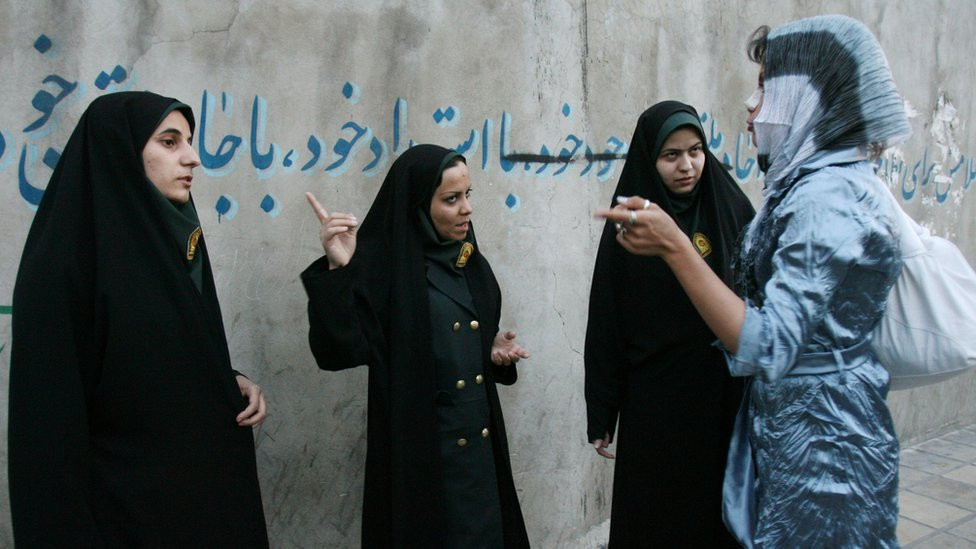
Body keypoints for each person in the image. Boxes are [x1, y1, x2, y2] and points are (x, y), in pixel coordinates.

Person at [595, 15, 910, 548]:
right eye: (672, 155)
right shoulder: (811, 187)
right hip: (786, 427)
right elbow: (606, 318)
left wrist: (674, 245)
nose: (750, 104)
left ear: (805, 97)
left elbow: (771, 343)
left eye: (766, 87)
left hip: (822, 445)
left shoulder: (824, 201)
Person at [9, 91, 269, 547]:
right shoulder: (66, 264)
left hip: (203, 510)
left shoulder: (173, 235)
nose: (192, 158)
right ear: (120, 152)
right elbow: (48, 437)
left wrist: (224, 378)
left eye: (188, 141)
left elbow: (149, 350)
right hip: (127, 520)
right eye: (170, 143)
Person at [301, 144, 530, 548]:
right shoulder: (386, 270)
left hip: (479, 455)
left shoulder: (469, 261)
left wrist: (491, 349)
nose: (467, 210)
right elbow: (338, 352)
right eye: (451, 199)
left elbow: (459, 333)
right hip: (422, 457)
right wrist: (341, 270)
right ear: (419, 206)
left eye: (468, 195)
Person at [585, 101, 754, 547]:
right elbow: (607, 317)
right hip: (657, 406)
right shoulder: (632, 223)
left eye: (696, 150)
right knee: (659, 520)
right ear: (648, 158)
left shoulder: (732, 207)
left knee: (718, 520)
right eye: (671, 155)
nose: (687, 166)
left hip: (723, 398)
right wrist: (602, 408)